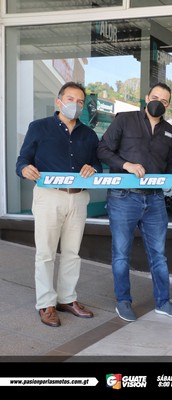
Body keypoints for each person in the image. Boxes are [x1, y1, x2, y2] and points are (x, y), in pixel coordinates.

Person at [97, 82, 172, 322]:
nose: (159, 103)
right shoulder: (125, 120)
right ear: (147, 98)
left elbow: (170, 167)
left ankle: (163, 302)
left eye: (164, 101)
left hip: (155, 199)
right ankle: (123, 301)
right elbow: (103, 150)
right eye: (155, 97)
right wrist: (126, 165)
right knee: (121, 253)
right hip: (123, 197)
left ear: (168, 106)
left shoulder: (169, 132)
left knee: (159, 254)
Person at [16, 81, 101, 327]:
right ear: (59, 101)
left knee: (72, 253)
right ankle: (46, 304)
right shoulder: (39, 127)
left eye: (80, 101)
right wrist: (25, 169)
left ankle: (67, 298)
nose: (75, 104)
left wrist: (93, 168)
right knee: (45, 253)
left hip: (79, 198)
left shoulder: (89, 134)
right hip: (49, 196)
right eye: (70, 99)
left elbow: (97, 164)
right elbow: (22, 160)